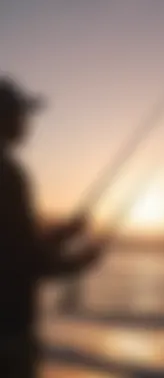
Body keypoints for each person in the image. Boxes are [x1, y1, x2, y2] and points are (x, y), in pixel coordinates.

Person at [0, 76, 103, 377]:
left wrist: (66, 231)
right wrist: (79, 262)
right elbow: (22, 259)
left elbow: (15, 242)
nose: (26, 122)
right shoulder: (9, 176)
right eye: (20, 113)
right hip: (8, 333)